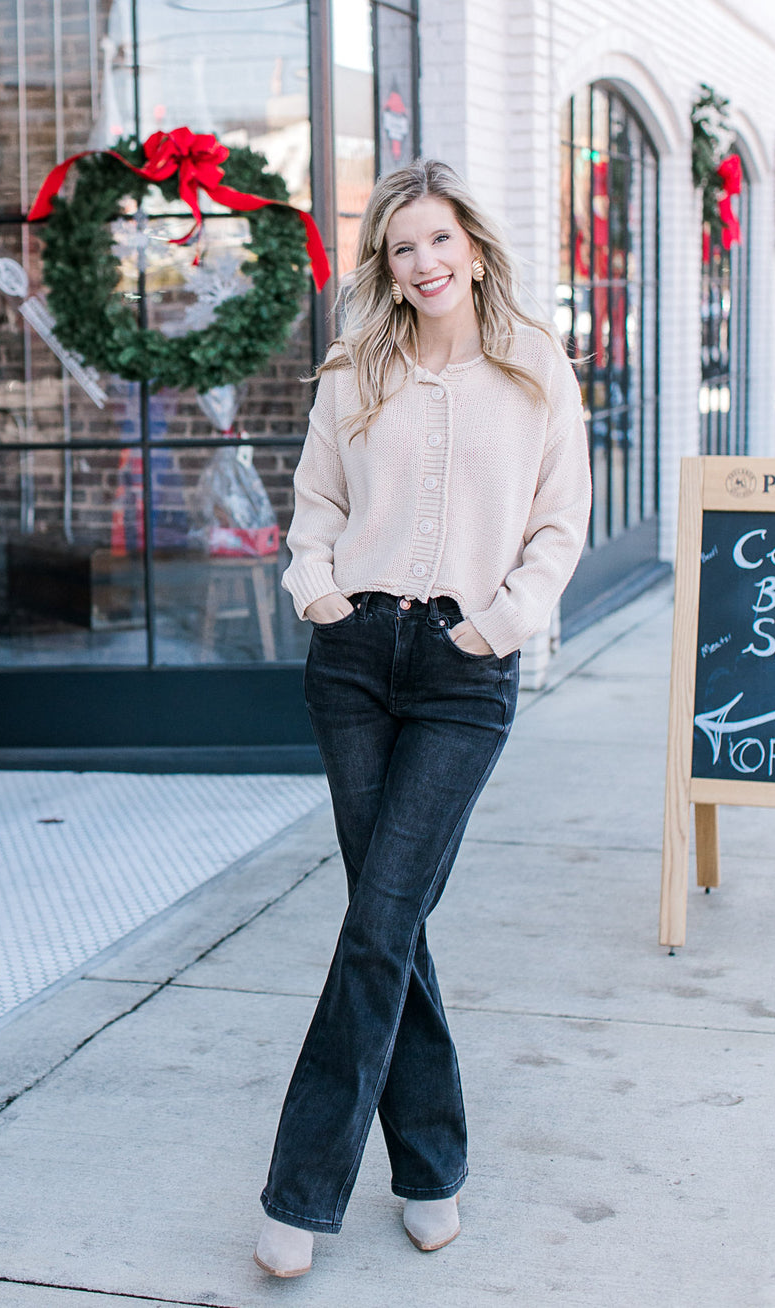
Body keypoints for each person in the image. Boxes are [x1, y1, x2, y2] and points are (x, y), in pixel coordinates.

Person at [253, 159, 591, 1277]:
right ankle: (432, 1171)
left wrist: (501, 625)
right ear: (386, 266)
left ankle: (301, 1196)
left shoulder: (535, 367)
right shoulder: (355, 367)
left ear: (476, 250)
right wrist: (316, 591)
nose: (425, 261)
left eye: (441, 239)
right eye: (403, 247)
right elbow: (316, 501)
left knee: (380, 924)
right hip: (353, 661)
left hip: (461, 673)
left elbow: (559, 521)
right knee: (388, 923)